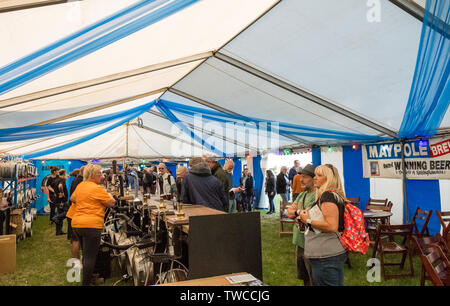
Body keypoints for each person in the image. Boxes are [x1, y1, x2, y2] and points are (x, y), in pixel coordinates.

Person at [298, 164, 347, 286]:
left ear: (329, 178)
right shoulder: (331, 195)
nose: (315, 177)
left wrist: (307, 221)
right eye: (315, 174)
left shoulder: (328, 196)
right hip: (327, 254)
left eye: (319, 175)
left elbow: (331, 226)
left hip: (326, 256)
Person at [70, 164, 115, 286]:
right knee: (90, 257)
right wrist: (108, 195)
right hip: (91, 224)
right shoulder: (97, 188)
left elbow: (73, 198)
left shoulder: (81, 186)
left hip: (77, 223)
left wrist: (86, 201)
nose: (101, 176)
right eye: (99, 174)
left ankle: (88, 279)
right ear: (93, 175)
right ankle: (86, 283)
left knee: (85, 254)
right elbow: (112, 203)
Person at [286, 164, 317, 286]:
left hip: (312, 243)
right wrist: (298, 213)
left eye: (304, 177)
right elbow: (288, 212)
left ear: (314, 179)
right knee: (304, 276)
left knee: (313, 277)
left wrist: (297, 213)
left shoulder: (317, 196)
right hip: (300, 241)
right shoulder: (302, 194)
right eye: (301, 176)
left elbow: (307, 216)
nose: (300, 179)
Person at [66, 166, 84, 259]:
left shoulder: (75, 180)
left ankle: (76, 260)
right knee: (76, 240)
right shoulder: (81, 182)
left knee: (74, 239)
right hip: (75, 213)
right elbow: (73, 199)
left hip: (73, 213)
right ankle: (76, 260)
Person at [52, 169, 69, 235]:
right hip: (62, 200)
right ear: (64, 174)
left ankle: (58, 231)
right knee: (67, 212)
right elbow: (60, 186)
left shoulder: (56, 180)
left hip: (57, 200)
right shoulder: (62, 180)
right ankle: (56, 217)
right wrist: (62, 192)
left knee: (60, 214)